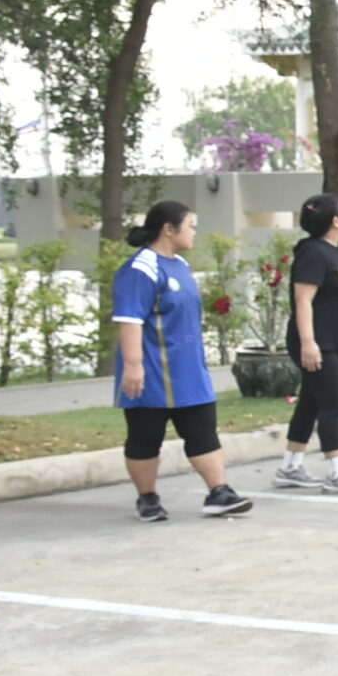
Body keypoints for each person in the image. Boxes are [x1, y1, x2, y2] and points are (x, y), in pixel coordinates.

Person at [113, 201, 253, 523]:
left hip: (189, 371)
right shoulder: (141, 269)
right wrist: (133, 366)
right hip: (154, 372)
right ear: (168, 228)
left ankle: (219, 492)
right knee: (145, 436)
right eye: (190, 225)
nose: (194, 232)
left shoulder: (180, 265)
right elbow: (129, 319)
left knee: (203, 430)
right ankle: (147, 498)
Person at [273, 191, 338, 494]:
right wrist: (308, 343)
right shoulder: (313, 254)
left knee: (311, 401)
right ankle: (337, 472)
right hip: (317, 342)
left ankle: (290, 467)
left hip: (334, 339)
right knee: (333, 402)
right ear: (335, 221)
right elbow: (303, 301)